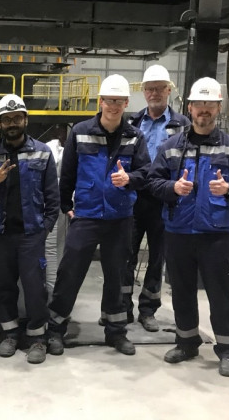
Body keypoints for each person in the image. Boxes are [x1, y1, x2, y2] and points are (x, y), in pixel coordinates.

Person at [145, 77, 229, 377]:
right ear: (190, 108)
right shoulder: (171, 147)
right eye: (199, 104)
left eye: (210, 104)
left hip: (214, 235)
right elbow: (153, 182)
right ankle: (186, 342)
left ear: (218, 108)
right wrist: (172, 188)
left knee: (220, 294)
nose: (204, 109)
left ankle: (228, 350)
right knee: (181, 292)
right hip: (178, 232)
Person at [46, 74, 151, 357]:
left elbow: (146, 173)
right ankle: (55, 330)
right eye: (109, 100)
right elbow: (67, 172)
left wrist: (129, 179)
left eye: (119, 101)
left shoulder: (135, 136)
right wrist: (65, 205)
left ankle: (116, 331)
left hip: (120, 217)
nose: (113, 106)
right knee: (70, 272)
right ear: (100, 101)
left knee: (117, 276)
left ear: (126, 103)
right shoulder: (80, 132)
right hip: (87, 215)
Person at [0, 94, 60, 364]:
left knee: (35, 288)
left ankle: (37, 338)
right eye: (6, 119)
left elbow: (53, 197)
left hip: (30, 234)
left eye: (17, 118)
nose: (12, 123)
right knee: (4, 287)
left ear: (25, 120)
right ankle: (10, 334)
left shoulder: (42, 152)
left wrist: (44, 229)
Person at [122, 64, 190, 332]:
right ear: (143, 91)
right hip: (135, 196)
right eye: (149, 89)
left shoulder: (182, 124)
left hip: (164, 197)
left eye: (159, 88)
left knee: (157, 257)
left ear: (169, 90)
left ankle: (148, 309)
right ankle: (123, 307)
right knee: (126, 254)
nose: (154, 93)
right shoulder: (132, 122)